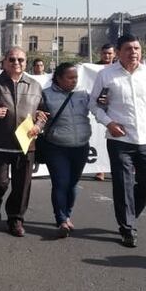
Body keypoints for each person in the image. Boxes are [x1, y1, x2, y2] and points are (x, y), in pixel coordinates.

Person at [89, 34, 146, 248]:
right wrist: (109, 123)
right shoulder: (106, 75)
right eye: (128, 49)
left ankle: (129, 213)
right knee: (123, 184)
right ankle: (128, 227)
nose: (134, 52)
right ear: (119, 52)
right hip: (120, 139)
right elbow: (94, 104)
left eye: (137, 48)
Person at [0, 46, 46, 237]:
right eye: (12, 59)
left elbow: (44, 113)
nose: (16, 63)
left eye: (20, 60)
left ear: (26, 62)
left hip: (26, 144)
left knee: (22, 187)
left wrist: (38, 125)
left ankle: (15, 219)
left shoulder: (35, 85)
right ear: (4, 62)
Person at [38, 63, 91, 237]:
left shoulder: (83, 94)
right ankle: (61, 219)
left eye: (76, 77)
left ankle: (67, 214)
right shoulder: (46, 95)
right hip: (56, 147)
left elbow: (99, 109)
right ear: (58, 78)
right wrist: (37, 125)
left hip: (81, 147)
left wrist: (103, 103)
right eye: (70, 78)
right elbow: (40, 118)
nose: (74, 81)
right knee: (61, 183)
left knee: (72, 184)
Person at [95, 43, 116, 181]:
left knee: (116, 142)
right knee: (99, 141)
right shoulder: (94, 68)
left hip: (115, 111)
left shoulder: (119, 68)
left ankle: (116, 169)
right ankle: (99, 169)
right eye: (104, 53)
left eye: (110, 53)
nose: (107, 56)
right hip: (99, 110)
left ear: (114, 54)